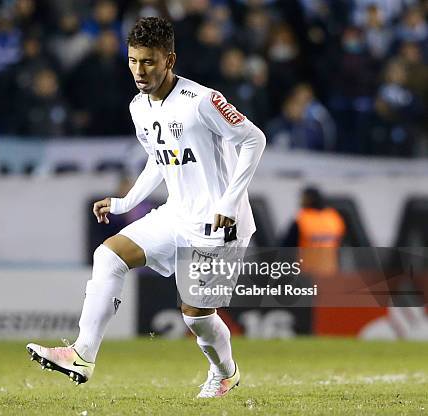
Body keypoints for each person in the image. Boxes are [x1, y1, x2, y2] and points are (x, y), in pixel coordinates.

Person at [26, 17, 266, 399]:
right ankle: (82, 355)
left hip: (219, 225)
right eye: (133, 61)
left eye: (149, 61)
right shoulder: (139, 106)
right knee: (108, 256)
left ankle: (226, 372)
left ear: (169, 60)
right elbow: (159, 158)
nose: (139, 70)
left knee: (196, 318)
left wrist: (229, 201)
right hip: (177, 213)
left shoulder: (202, 101)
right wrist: (126, 202)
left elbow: (254, 139)